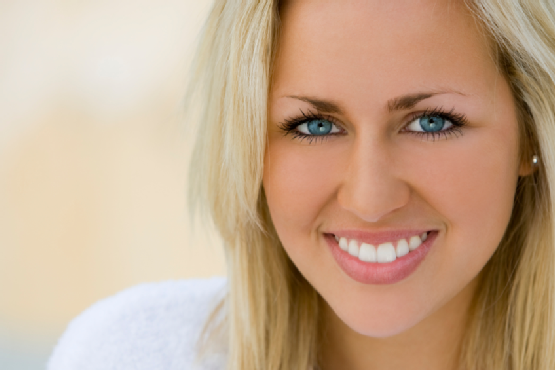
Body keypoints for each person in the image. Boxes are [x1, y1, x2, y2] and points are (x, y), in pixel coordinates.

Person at [48, 0, 555, 369]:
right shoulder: (129, 355)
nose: (370, 200)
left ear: (530, 129)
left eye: (431, 123)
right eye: (315, 126)